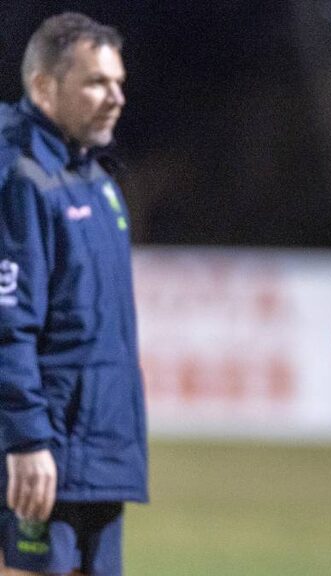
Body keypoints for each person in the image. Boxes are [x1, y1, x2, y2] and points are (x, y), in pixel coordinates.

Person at [0, 13, 147, 576]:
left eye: (118, 82)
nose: (116, 97)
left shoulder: (96, 180)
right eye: (96, 83)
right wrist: (27, 442)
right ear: (43, 86)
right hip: (45, 458)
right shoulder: (22, 178)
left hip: (99, 457)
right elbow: (9, 323)